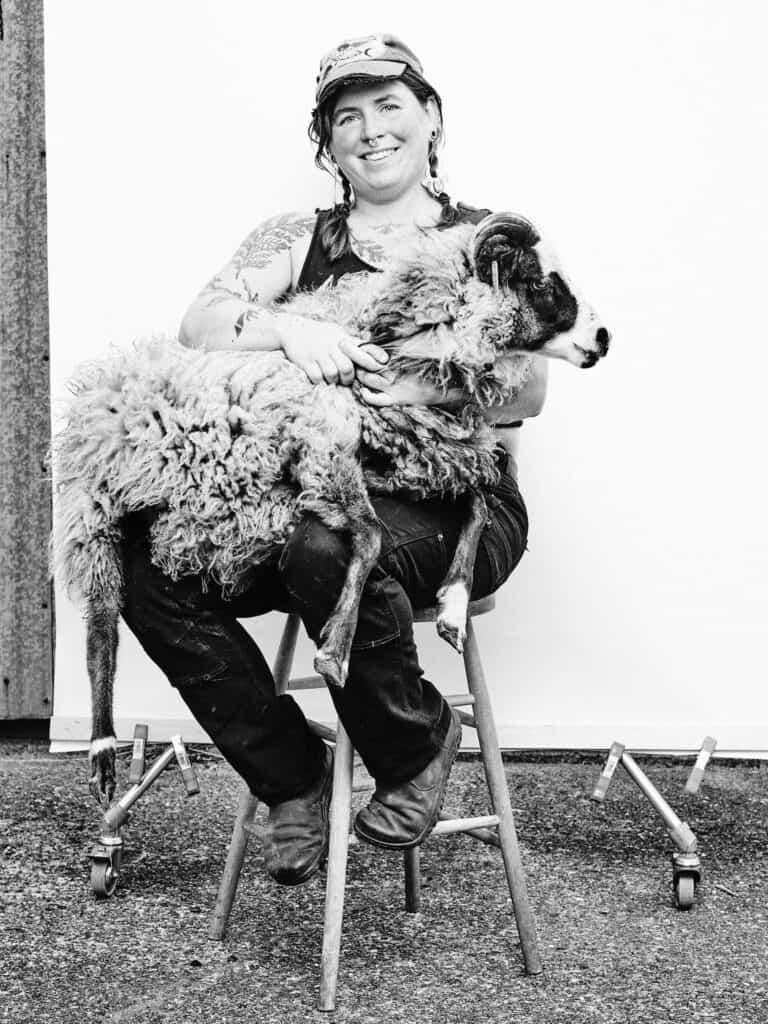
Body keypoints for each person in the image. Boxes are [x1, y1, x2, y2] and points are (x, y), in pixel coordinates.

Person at [121, 34, 547, 886]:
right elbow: (201, 322)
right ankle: (293, 773)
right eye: (346, 116)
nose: (371, 129)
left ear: (430, 118)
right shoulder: (297, 236)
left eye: (390, 105)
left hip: (455, 505)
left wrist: (386, 383)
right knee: (140, 561)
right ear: (328, 142)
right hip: (311, 492)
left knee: (330, 546)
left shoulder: (489, 240)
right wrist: (292, 329)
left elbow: (527, 387)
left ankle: (414, 741)